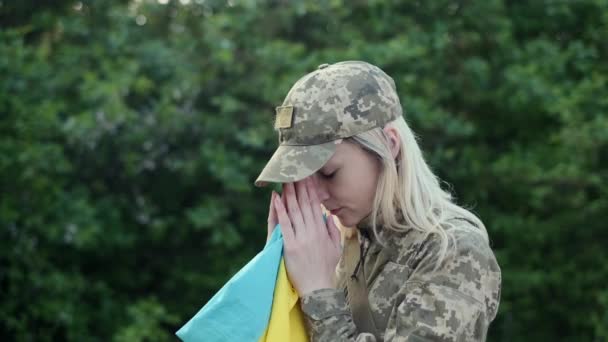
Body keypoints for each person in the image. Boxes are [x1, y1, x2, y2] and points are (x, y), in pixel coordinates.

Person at [254, 61, 501, 341]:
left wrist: (317, 293)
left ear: (389, 146)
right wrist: (277, 275)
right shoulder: (332, 249)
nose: (318, 195)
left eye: (329, 173)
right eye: (305, 181)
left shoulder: (454, 251)